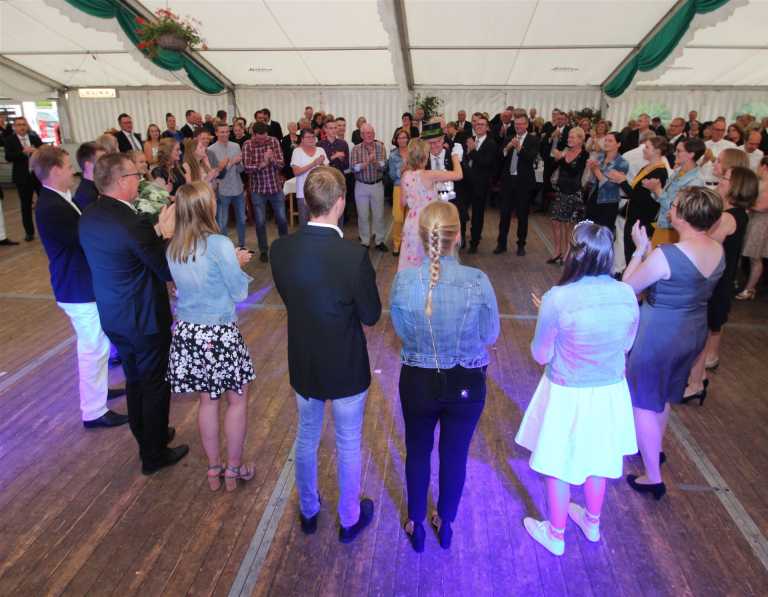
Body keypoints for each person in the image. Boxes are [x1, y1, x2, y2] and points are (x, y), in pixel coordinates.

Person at [270, 166, 381, 542]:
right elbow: (370, 315)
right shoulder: (353, 256)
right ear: (340, 202)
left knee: (307, 436)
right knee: (348, 441)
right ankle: (349, 519)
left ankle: (309, 511)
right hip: (345, 363)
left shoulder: (281, 249)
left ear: (307, 202)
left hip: (304, 359)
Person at [517, 222, 639, 556]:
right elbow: (626, 344)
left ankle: (556, 534)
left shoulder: (557, 298)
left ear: (574, 252)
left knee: (558, 462)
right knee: (599, 458)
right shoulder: (626, 293)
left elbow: (541, 354)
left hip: (567, 391)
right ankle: (592, 522)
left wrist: (548, 319)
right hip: (610, 390)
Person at [390, 201, 499, 552]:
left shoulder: (404, 280)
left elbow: (403, 332)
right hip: (466, 382)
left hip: (419, 381)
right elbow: (490, 334)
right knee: (455, 453)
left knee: (417, 450)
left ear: (422, 237)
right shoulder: (477, 281)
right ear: (459, 235)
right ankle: (446, 521)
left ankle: (416, 522)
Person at [79, 153, 189, 474]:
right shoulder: (133, 222)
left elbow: (126, 250)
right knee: (154, 384)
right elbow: (165, 269)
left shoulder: (90, 214)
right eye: (135, 176)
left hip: (114, 314)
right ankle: (154, 455)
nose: (139, 180)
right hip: (144, 318)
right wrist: (166, 234)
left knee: (135, 379)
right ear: (120, 181)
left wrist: (153, 234)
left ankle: (148, 435)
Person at [623, 187, 724, 500]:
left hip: (660, 332)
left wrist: (640, 250)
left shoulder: (668, 255)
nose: (670, 208)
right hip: (693, 330)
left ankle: (653, 477)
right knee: (664, 393)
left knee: (642, 400)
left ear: (683, 215)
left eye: (674, 205)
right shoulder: (717, 249)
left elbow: (628, 288)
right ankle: (654, 448)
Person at [165, 181, 256, 491]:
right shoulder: (219, 244)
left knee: (207, 401)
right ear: (206, 207)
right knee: (237, 400)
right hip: (219, 333)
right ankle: (234, 468)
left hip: (188, 332)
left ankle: (214, 468)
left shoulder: (174, 247)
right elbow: (239, 292)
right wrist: (237, 263)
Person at [32, 146, 129, 429]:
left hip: (80, 283)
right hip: (76, 287)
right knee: (93, 347)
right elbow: (82, 239)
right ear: (54, 171)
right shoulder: (51, 206)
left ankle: (98, 392)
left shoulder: (60, 198)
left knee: (98, 344)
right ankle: (94, 411)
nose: (71, 171)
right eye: (66, 166)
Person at [684, 166, 758, 402]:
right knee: (702, 332)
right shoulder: (736, 213)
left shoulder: (727, 217)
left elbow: (705, 244)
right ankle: (698, 378)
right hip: (719, 278)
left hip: (715, 281)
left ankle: (696, 383)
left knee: (701, 333)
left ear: (736, 186)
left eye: (725, 178)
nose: (720, 181)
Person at [399, 133, 463, 271]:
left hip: (411, 222)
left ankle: (412, 281)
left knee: (412, 258)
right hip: (428, 220)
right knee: (429, 257)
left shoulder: (405, 175)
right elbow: (458, 175)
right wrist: (455, 156)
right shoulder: (429, 175)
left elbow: (402, 203)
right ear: (425, 156)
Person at [609, 136, 669, 265]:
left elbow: (641, 199)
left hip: (642, 218)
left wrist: (622, 182)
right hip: (634, 215)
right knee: (628, 252)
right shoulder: (647, 167)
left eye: (647, 147)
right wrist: (623, 181)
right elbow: (636, 191)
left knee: (634, 254)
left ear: (657, 151)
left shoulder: (659, 172)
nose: (644, 150)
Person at [644, 136, 706, 248]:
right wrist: (654, 189)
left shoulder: (696, 181)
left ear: (691, 154)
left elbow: (681, 210)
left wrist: (658, 190)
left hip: (675, 230)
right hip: (663, 224)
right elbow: (664, 197)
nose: (675, 153)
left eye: (679, 151)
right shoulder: (678, 171)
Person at [242, 121, 288, 262]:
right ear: (254, 134)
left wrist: (271, 159)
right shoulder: (247, 145)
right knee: (260, 222)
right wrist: (263, 163)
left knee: (282, 219)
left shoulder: (273, 141)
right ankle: (263, 250)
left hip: (275, 187)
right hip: (258, 190)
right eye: (260, 138)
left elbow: (281, 164)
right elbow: (247, 168)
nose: (264, 141)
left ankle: (284, 247)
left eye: (265, 137)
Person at [495, 114, 540, 256]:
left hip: (523, 183)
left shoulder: (533, 139)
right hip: (508, 182)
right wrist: (507, 147)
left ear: (526, 125)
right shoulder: (509, 137)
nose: (518, 126)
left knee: (522, 215)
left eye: (521, 124)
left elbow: (531, 158)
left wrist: (519, 148)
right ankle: (501, 244)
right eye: (516, 124)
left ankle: (521, 245)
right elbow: (500, 156)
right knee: (504, 214)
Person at [548, 127, 589, 264]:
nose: (569, 139)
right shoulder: (565, 150)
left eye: (572, 137)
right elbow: (553, 167)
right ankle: (557, 251)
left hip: (573, 193)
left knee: (568, 225)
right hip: (561, 191)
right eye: (569, 136)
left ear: (580, 140)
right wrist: (556, 159)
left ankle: (567, 253)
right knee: (555, 221)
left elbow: (574, 171)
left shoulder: (584, 155)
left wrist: (561, 159)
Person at [4, 116, 43, 241]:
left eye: (23, 124)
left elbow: (43, 150)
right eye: (19, 125)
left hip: (37, 175)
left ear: (27, 126)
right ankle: (29, 232)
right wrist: (22, 153)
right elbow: (8, 157)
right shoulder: (9, 140)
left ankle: (47, 228)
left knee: (44, 202)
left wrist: (37, 151)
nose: (22, 127)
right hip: (22, 177)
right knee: (25, 205)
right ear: (14, 127)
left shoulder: (34, 137)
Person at [208, 123, 246, 248]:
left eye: (226, 132)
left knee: (242, 219)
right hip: (222, 190)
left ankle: (241, 245)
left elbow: (241, 169)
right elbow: (217, 174)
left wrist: (239, 163)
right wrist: (231, 163)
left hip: (238, 188)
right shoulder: (211, 150)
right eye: (222, 132)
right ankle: (225, 248)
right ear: (216, 133)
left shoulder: (236, 146)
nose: (225, 134)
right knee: (222, 222)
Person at [351, 124, 388, 250]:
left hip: (377, 185)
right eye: (367, 133)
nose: (370, 135)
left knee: (379, 215)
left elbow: (384, 167)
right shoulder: (356, 149)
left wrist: (374, 162)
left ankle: (379, 240)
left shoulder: (380, 147)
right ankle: (365, 241)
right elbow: (354, 168)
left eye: (371, 132)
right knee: (363, 215)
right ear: (362, 135)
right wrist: (367, 162)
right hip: (361, 185)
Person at [464, 115, 498, 253]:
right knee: (461, 212)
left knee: (477, 215)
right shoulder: (470, 140)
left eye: (482, 124)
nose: (479, 126)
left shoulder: (491, 144)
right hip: (465, 182)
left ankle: (474, 242)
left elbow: (486, 163)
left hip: (480, 184)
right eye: (477, 124)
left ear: (487, 128)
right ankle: (460, 239)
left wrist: (472, 151)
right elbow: (464, 160)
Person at [736, 157, 768, 300]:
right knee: (750, 256)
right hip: (754, 220)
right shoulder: (761, 182)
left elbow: (762, 207)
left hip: (761, 223)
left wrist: (743, 203)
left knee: (755, 257)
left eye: (759, 165)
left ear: (764, 166)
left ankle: (750, 288)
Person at [585, 132, 629, 232]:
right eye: (605, 140)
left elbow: (610, 186)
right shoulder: (600, 157)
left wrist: (596, 170)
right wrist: (591, 168)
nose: (606, 143)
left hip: (609, 202)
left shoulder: (622, 163)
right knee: (589, 231)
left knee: (602, 233)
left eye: (610, 141)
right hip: (594, 197)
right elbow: (595, 179)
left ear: (618, 144)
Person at [291, 128, 329, 225]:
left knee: (319, 222)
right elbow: (296, 172)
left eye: (313, 137)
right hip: (303, 193)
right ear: (302, 139)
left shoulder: (320, 150)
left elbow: (327, 171)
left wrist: (321, 164)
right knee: (304, 222)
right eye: (308, 137)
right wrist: (313, 163)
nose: (311, 139)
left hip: (320, 192)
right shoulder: (297, 152)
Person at [388, 127, 410, 257]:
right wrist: (402, 169)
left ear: (408, 139)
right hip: (398, 188)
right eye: (400, 138)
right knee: (398, 218)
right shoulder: (393, 155)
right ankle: (396, 243)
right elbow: (392, 175)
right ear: (396, 140)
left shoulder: (413, 153)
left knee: (410, 218)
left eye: (404, 137)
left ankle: (407, 243)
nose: (402, 140)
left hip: (412, 188)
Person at [73, 142, 106, 211]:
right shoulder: (86, 195)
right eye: (101, 161)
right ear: (88, 165)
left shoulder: (98, 186)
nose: (107, 164)